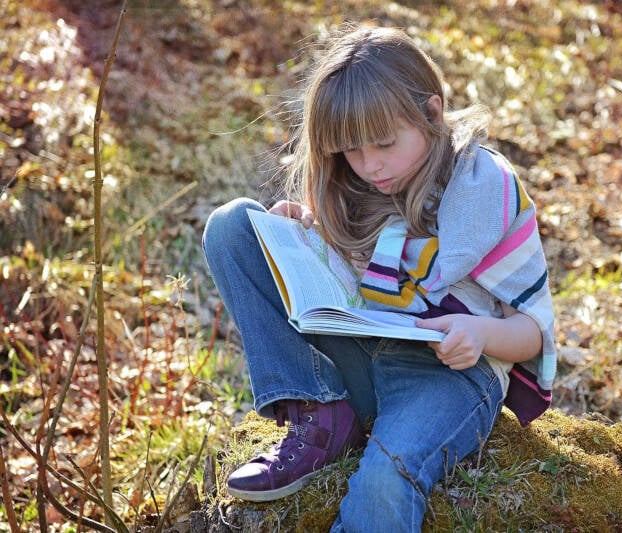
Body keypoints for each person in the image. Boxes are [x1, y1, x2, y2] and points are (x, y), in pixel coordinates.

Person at [202, 25, 556, 532]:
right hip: (360, 354)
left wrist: (480, 334)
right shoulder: (355, 186)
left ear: (431, 113)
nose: (369, 165)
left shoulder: (483, 191)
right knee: (233, 226)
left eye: (385, 143)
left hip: (446, 378)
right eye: (350, 150)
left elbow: (532, 331)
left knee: (388, 477)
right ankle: (320, 412)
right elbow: (347, 290)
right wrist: (302, 238)